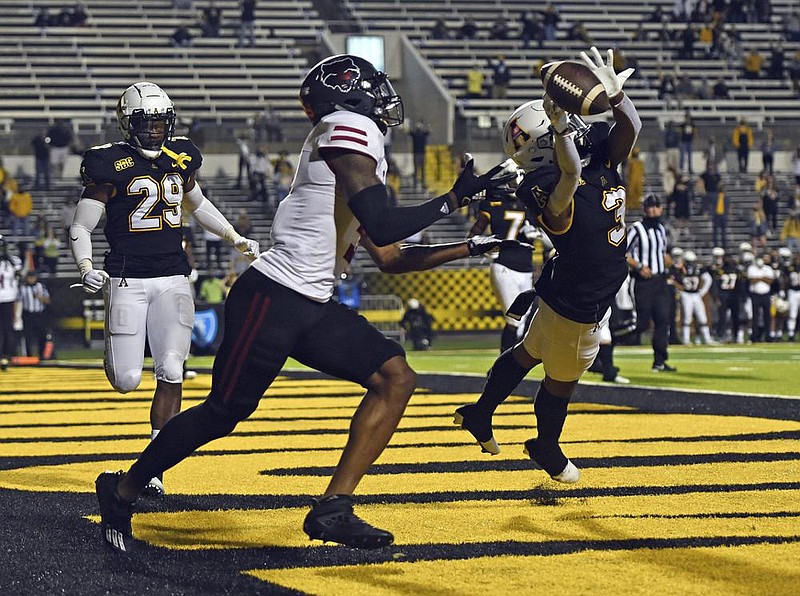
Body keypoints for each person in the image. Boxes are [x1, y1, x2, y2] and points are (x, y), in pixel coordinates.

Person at [93, 55, 516, 553]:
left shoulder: (354, 139)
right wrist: (452, 200)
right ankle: (121, 490)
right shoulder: (347, 126)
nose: (383, 98)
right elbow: (382, 225)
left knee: (395, 378)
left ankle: (333, 508)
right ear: (350, 93)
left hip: (312, 299)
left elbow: (389, 256)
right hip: (272, 295)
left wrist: (474, 247)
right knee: (224, 412)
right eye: (374, 87)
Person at [454, 46, 640, 483]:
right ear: (544, 147)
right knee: (560, 382)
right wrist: (560, 138)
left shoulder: (590, 154)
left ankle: (481, 412)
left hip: (563, 284)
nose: (574, 125)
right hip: (581, 300)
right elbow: (568, 184)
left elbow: (631, 128)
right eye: (560, 126)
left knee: (527, 352)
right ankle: (546, 445)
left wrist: (616, 97)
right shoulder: (543, 184)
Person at [70, 81, 260, 498]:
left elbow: (199, 204)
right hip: (126, 279)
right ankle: (116, 351)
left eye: (160, 122)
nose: (155, 131)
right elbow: (81, 225)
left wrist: (235, 237)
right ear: (127, 124)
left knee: (172, 369)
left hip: (174, 275)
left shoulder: (181, 156)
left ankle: (154, 467)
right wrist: (84, 265)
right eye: (146, 122)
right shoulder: (108, 164)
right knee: (125, 380)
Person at [467, 173, 540, 351]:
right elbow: (474, 233)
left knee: (522, 321)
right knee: (514, 318)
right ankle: (503, 367)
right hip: (504, 266)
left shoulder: (531, 204)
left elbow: (549, 233)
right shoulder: (493, 203)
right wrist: (482, 245)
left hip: (526, 269)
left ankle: (508, 365)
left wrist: (539, 234)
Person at [627, 193, 676, 371]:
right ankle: (609, 344)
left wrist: (676, 265)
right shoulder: (637, 228)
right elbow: (623, 252)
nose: (654, 209)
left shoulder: (662, 229)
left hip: (660, 281)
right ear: (645, 209)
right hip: (644, 282)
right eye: (650, 206)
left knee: (663, 320)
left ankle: (660, 361)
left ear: (661, 208)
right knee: (642, 323)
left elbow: (662, 254)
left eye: (656, 206)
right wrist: (639, 266)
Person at [0, 235, 21, 371]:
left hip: (9, 298)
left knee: (8, 329)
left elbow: (21, 276)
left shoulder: (13, 261)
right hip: (6, 297)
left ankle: (7, 356)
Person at [18, 270, 51, 358]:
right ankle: (29, 356)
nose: (31, 279)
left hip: (39, 314)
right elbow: (18, 301)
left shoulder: (41, 287)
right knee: (28, 336)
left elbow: (48, 301)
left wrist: (40, 297)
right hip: (28, 314)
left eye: (33, 277)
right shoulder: (23, 288)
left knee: (42, 335)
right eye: (30, 277)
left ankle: (42, 355)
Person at [409, 121, 430, 189]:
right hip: (422, 154)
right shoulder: (423, 134)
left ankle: (415, 184)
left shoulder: (414, 134)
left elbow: (409, 132)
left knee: (416, 170)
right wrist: (428, 125)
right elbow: (429, 131)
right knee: (422, 170)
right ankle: (423, 183)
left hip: (416, 154)